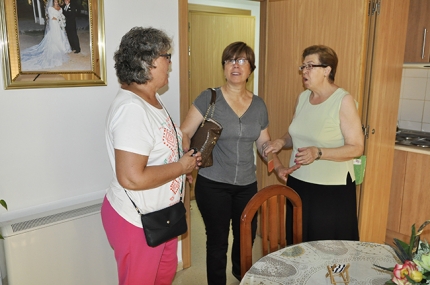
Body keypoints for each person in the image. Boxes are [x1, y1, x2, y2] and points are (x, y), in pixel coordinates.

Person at [101, 27, 200, 285]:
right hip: (137, 221)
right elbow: (132, 177)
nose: (170, 63)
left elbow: (158, 155)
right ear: (147, 62)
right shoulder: (132, 109)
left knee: (162, 278)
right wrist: (180, 168)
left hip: (163, 215)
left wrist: (180, 172)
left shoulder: (151, 99)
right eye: (166, 56)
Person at [181, 41, 271, 284]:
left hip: (247, 185)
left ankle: (240, 276)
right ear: (223, 67)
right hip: (213, 184)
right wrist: (187, 161)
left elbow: (264, 144)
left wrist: (276, 162)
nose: (235, 65)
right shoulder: (209, 98)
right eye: (230, 60)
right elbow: (185, 132)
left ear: (251, 68)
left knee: (246, 238)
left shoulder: (259, 104)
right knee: (217, 241)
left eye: (242, 60)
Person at [263, 45, 364, 243]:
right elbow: (298, 133)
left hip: (330, 190)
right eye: (303, 66)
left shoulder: (343, 100)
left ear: (327, 70)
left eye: (310, 66)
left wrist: (318, 153)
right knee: (299, 242)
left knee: (326, 247)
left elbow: (356, 147)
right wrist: (282, 141)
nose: (304, 71)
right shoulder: (302, 98)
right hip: (299, 182)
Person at [20, 0, 72, 70]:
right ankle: (56, 48)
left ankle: (62, 48)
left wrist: (61, 20)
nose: (55, 3)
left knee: (61, 35)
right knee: (55, 35)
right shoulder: (50, 8)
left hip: (59, 24)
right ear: (53, 2)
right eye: (54, 2)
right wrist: (59, 18)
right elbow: (51, 17)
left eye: (56, 2)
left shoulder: (60, 8)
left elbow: (61, 15)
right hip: (53, 23)